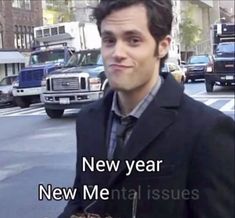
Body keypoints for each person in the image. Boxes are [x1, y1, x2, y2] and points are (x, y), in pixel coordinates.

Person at [58, 0, 234, 217]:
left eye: (133, 40)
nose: (117, 53)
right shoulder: (88, 120)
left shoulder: (206, 129)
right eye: (109, 40)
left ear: (162, 46)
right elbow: (80, 201)